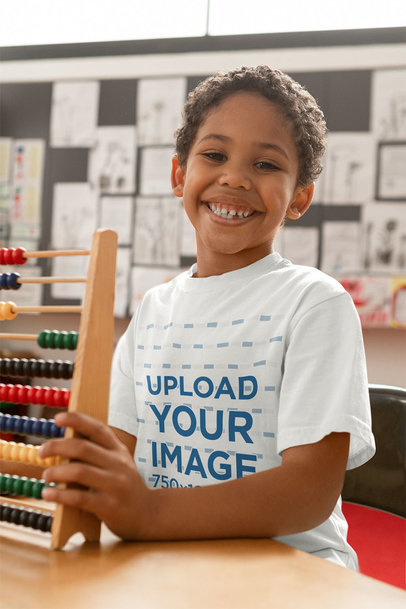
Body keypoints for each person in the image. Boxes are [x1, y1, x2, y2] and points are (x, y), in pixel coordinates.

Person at [40, 66, 375, 569]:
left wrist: (149, 512)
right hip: (168, 563)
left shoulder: (313, 302)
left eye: (266, 164)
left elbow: (308, 492)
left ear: (300, 196)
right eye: (214, 155)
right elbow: (118, 455)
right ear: (180, 175)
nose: (235, 177)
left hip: (293, 574)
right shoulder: (153, 310)